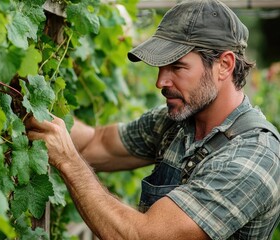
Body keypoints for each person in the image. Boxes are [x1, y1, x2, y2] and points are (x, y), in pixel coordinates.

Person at [26, 0, 280, 239]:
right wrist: (29, 104)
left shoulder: (254, 157)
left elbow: (144, 235)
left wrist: (68, 161)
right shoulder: (176, 123)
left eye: (177, 67)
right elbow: (97, 142)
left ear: (224, 65)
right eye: (160, 67)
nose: (161, 82)